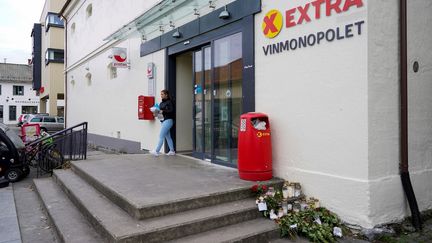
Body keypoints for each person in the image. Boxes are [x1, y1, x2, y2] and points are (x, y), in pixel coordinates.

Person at [150, 90, 176, 156]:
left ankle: (156, 151)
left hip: (168, 120)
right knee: (168, 137)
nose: (161, 95)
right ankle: (172, 151)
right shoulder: (161, 103)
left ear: (166, 95)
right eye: (160, 94)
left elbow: (171, 110)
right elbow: (159, 113)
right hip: (163, 121)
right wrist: (155, 113)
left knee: (161, 136)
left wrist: (163, 111)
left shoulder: (169, 102)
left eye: (162, 94)